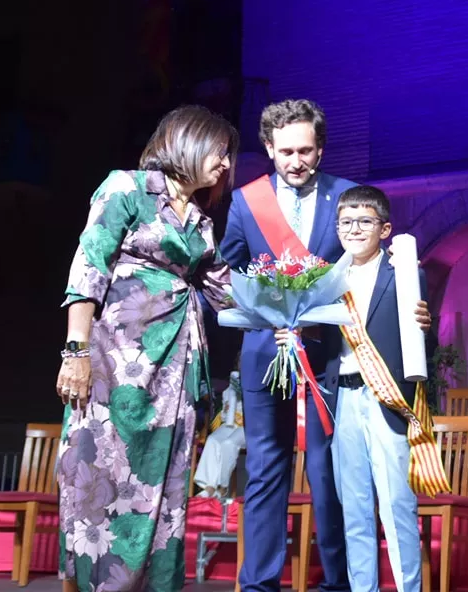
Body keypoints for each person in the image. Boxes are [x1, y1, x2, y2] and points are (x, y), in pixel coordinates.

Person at [55, 105, 237, 592]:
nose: (226, 164)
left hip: (174, 377)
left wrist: (299, 300)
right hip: (116, 367)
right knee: (99, 484)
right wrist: (75, 353)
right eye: (220, 151)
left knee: (166, 490)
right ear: (187, 142)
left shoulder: (199, 221)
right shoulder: (126, 188)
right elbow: (88, 268)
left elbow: (230, 294)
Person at [220, 99, 355, 592]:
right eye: (286, 151)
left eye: (306, 151)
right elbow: (228, 272)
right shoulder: (245, 201)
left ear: (320, 149)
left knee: (327, 472)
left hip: (324, 355)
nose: (296, 161)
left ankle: (337, 582)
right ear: (270, 149)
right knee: (264, 469)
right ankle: (259, 583)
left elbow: (361, 270)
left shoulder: (345, 196)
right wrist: (260, 312)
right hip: (263, 352)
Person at [277, 185, 434, 592]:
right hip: (341, 399)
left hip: (387, 399)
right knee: (355, 507)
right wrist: (291, 337)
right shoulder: (328, 278)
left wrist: (426, 326)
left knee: (397, 505)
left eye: (364, 221)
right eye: (346, 222)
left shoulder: (405, 273)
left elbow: (422, 344)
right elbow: (318, 340)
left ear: (385, 229)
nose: (353, 229)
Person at [193, 371, 246, 499]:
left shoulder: (255, 386)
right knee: (213, 440)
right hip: (231, 424)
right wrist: (226, 411)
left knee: (229, 444)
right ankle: (210, 487)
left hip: (248, 427)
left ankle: (223, 487)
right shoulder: (229, 391)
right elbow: (223, 416)